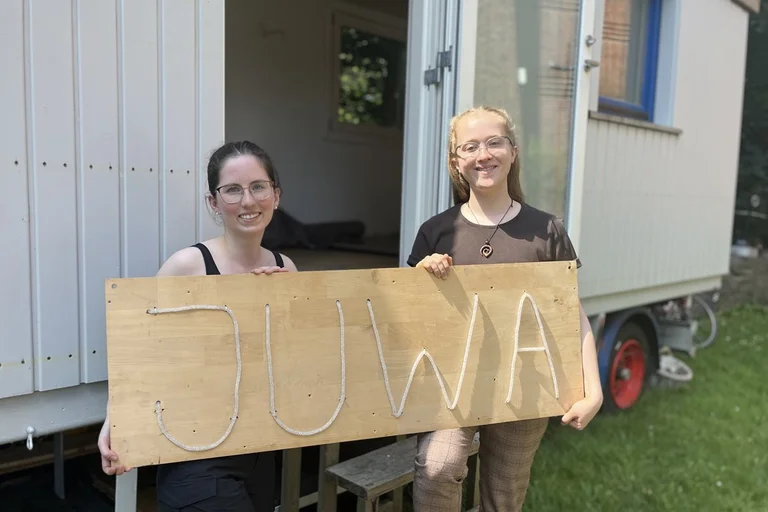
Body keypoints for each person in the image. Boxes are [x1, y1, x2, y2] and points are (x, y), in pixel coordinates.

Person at [407, 106, 603, 511]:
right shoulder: (435, 231)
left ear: (513, 151)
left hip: (526, 383)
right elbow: (407, 318)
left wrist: (593, 390)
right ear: (456, 162)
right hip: (454, 385)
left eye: (495, 142)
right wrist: (420, 280)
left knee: (503, 496)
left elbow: (572, 314)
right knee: (437, 467)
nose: (484, 154)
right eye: (470, 146)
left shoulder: (546, 231)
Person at [98, 140, 298, 511]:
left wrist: (285, 307)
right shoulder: (188, 265)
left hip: (259, 451)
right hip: (195, 458)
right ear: (214, 202)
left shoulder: (286, 267)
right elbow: (137, 348)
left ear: (276, 195)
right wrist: (116, 423)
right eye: (232, 190)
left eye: (258, 186)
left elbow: (290, 364)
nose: (248, 201)